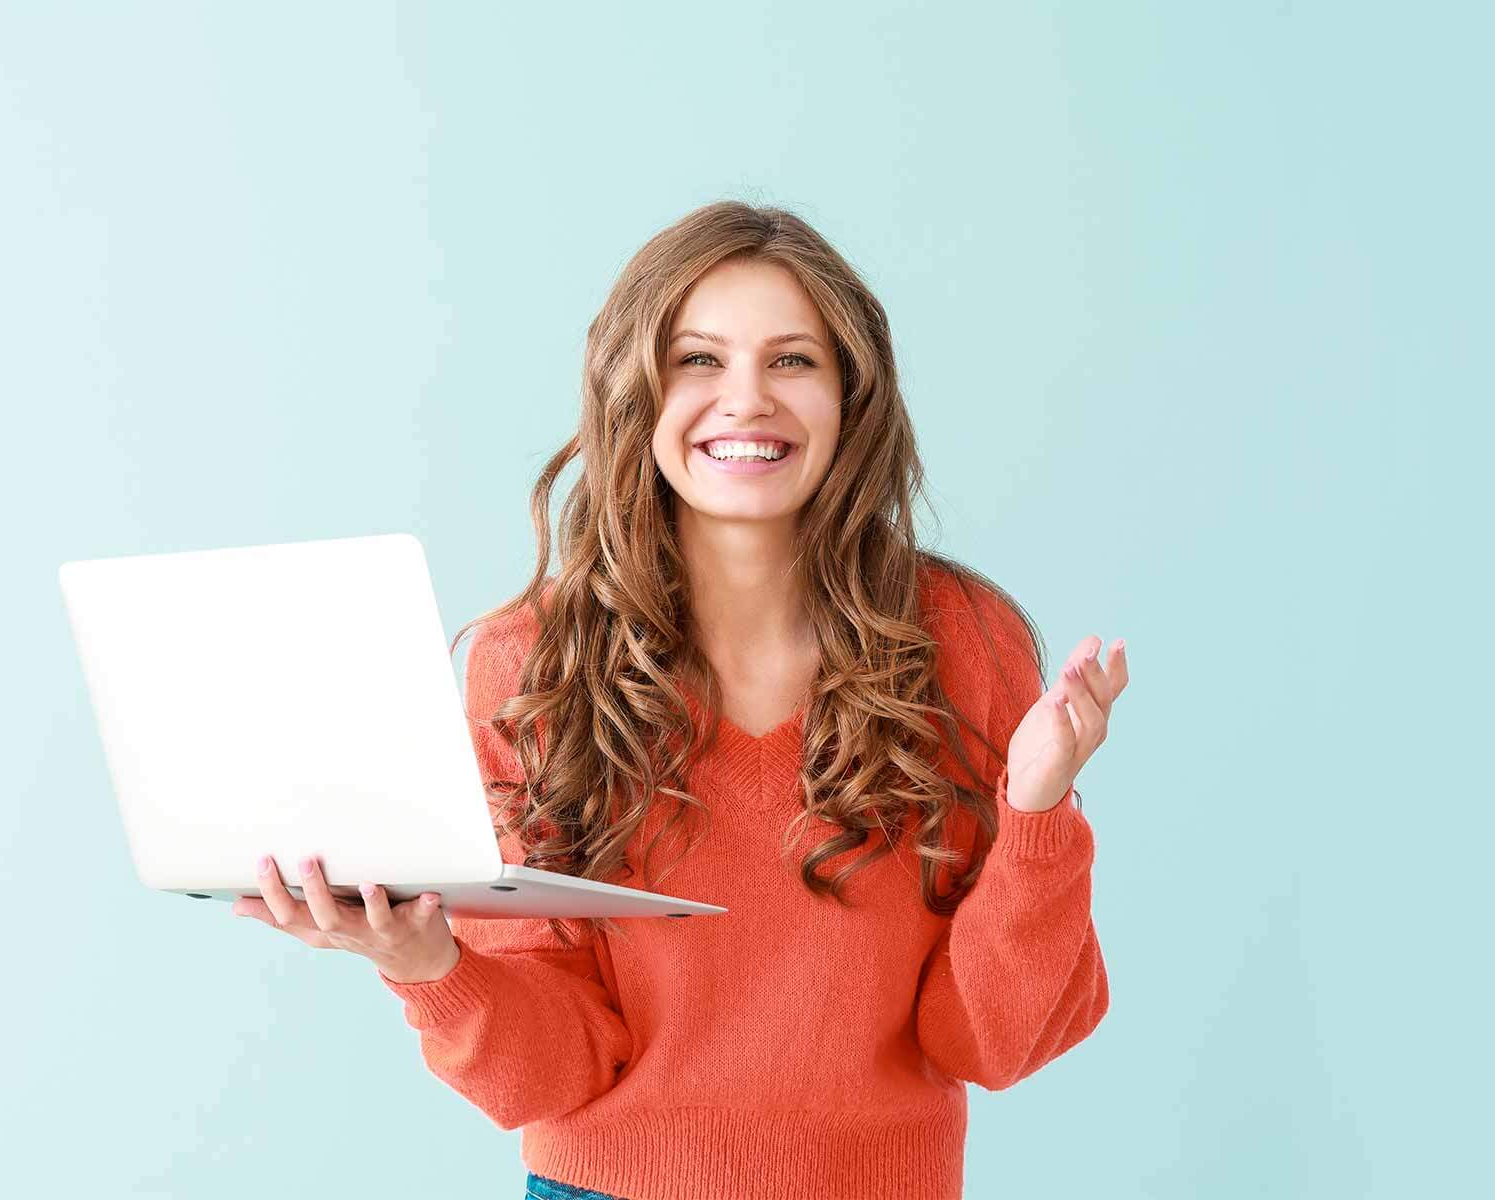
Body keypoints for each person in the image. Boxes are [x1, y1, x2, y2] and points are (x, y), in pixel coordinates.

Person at [234, 200, 1126, 1199]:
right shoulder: (531, 662)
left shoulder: (964, 639)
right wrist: (427, 960)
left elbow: (992, 1040)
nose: (746, 400)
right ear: (636, 394)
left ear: (851, 398)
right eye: (699, 359)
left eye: (793, 361)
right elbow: (552, 1072)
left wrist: (1038, 814)